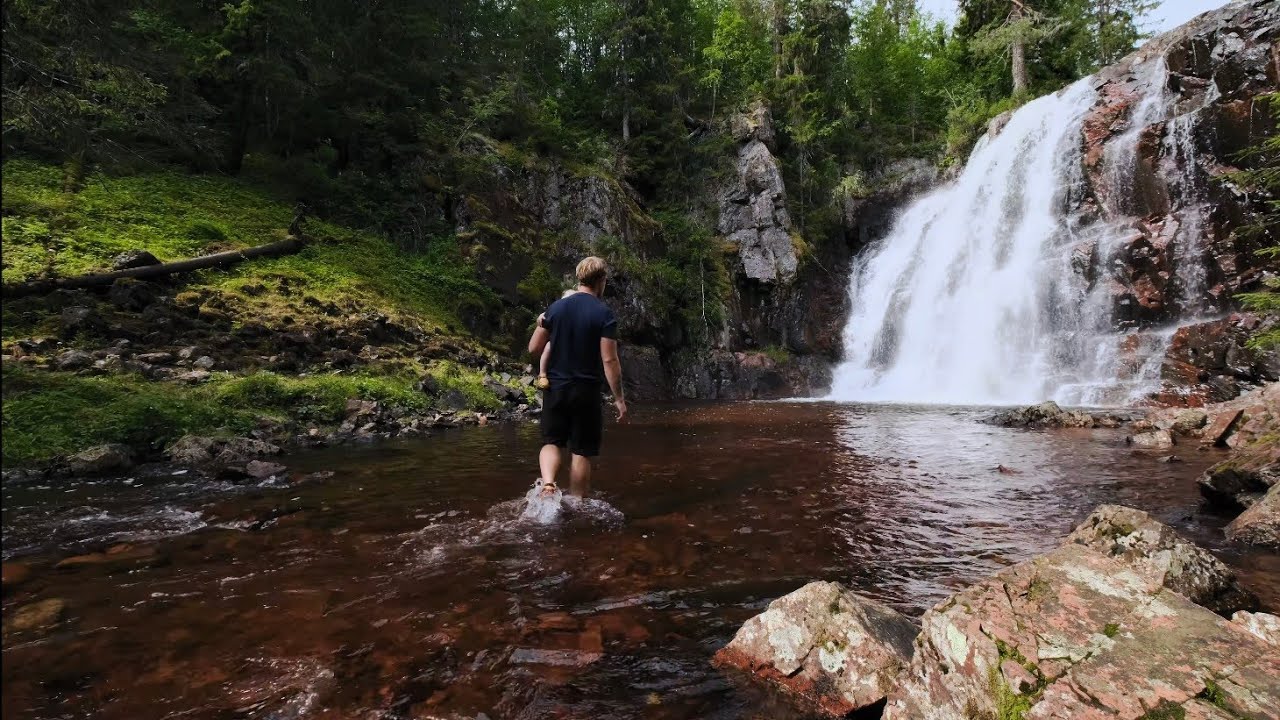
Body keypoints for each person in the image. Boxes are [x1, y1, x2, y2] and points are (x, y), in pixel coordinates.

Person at [527, 256, 626, 498]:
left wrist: (543, 322)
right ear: (601, 281)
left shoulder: (556, 308)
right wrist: (619, 398)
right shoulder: (604, 313)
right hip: (586, 390)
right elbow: (609, 360)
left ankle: (549, 484)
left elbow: (533, 348)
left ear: (579, 277)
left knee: (552, 441)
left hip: (556, 388)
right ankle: (578, 503)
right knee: (581, 451)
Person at [537, 289, 580, 390]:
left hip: (572, 345)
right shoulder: (555, 311)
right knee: (548, 347)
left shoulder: (578, 314)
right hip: (556, 341)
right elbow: (544, 317)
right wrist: (541, 315)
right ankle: (542, 374)